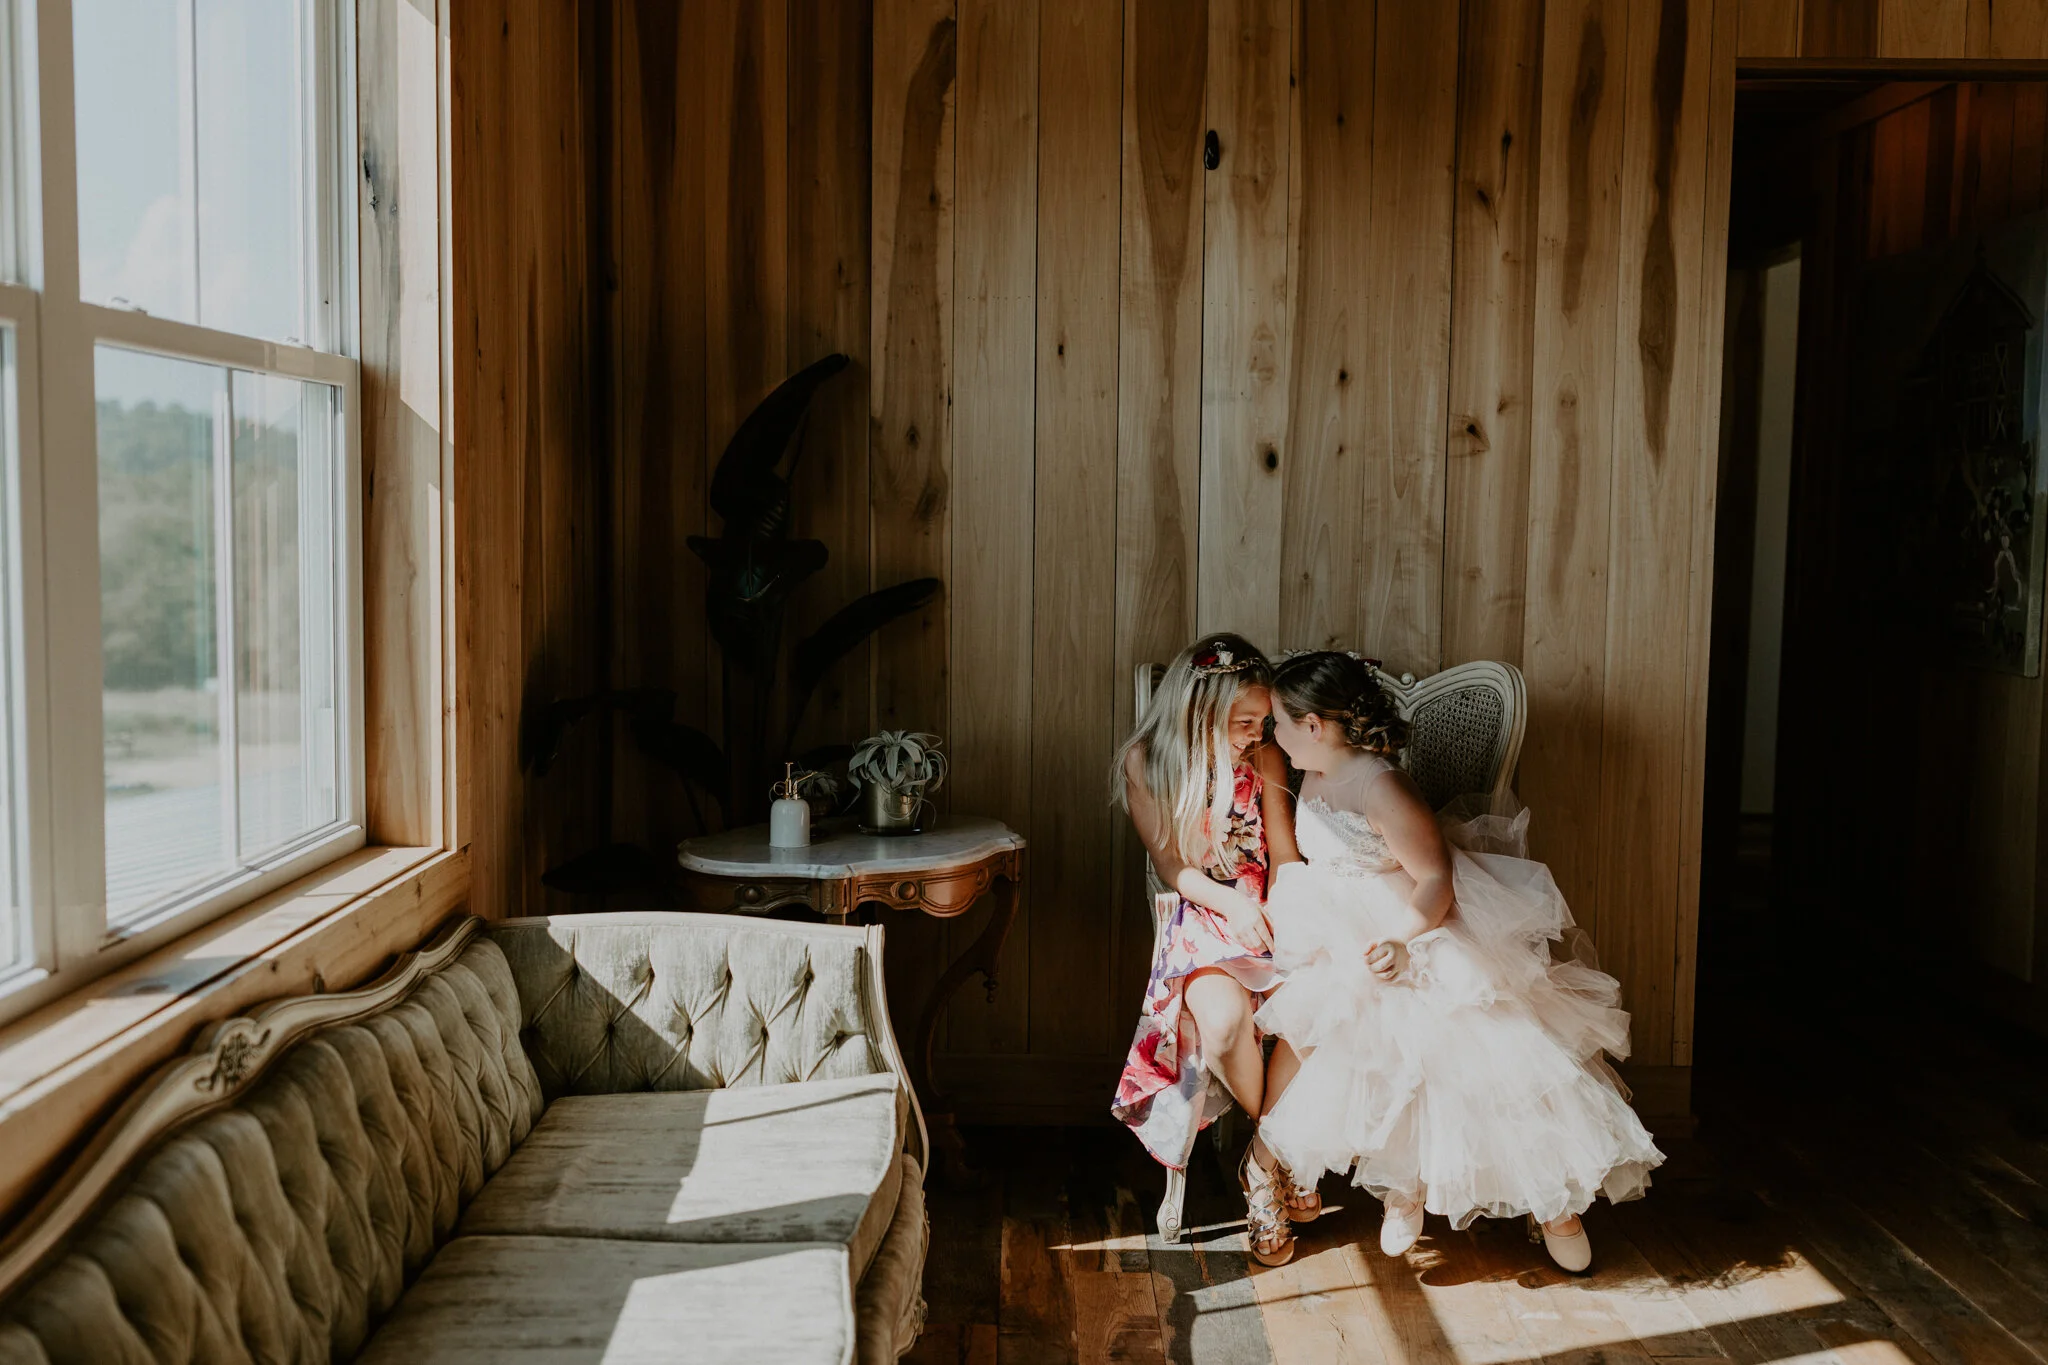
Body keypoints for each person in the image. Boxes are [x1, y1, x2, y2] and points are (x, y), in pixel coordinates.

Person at [1253, 650, 1664, 1272]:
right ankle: (1403, 1188)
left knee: (1469, 1056)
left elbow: (1435, 880)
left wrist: (1399, 940)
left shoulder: (1381, 786)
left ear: (1314, 725)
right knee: (1356, 1048)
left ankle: (1555, 1205)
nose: (1272, 734)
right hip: (1340, 932)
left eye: (1279, 722)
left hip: (1410, 928)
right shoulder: (1310, 771)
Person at [1110, 633, 1313, 1265]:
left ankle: (1263, 1163)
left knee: (1318, 1008)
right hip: (1204, 908)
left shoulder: (1266, 757)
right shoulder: (1146, 761)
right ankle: (1286, 1147)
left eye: (1263, 722)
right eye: (1244, 721)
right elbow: (1173, 866)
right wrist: (1233, 906)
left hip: (1269, 905)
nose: (1256, 735)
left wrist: (1285, 912)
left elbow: (1284, 853)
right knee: (1223, 1026)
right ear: (1200, 707)